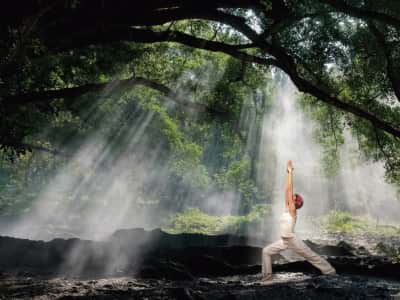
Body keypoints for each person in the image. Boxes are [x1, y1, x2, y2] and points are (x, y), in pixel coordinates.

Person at [261, 160, 336, 281]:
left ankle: (330, 271)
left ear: (296, 203)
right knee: (266, 251)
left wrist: (290, 173)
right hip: (285, 240)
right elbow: (287, 191)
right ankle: (267, 275)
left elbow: (290, 190)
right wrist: (287, 173)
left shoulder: (292, 211)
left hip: (292, 240)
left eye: (293, 198)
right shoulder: (288, 208)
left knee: (311, 255)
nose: (291, 197)